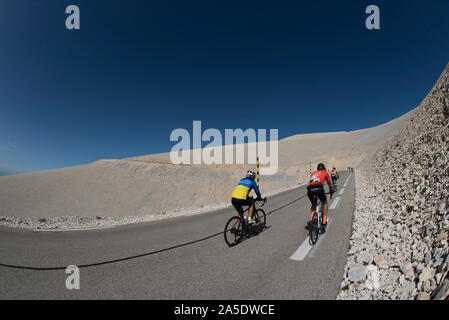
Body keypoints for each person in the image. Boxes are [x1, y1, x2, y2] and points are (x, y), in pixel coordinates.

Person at [307, 163, 333, 233]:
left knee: (313, 204)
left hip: (309, 189)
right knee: (325, 203)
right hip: (319, 188)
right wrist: (331, 190)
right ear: (324, 168)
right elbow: (329, 183)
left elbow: (310, 182)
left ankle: (312, 220)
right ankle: (324, 221)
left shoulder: (313, 173)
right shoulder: (325, 172)